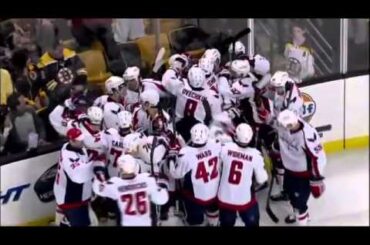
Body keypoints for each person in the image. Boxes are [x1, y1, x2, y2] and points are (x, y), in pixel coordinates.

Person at [275, 109, 326, 225]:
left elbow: (317, 158)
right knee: (289, 195)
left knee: (299, 205)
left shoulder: (307, 135)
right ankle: (300, 213)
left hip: (303, 176)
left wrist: (316, 180)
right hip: (289, 170)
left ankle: (301, 217)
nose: (289, 127)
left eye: (291, 125)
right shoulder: (281, 125)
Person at [92, 154, 169, 226]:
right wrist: (163, 185)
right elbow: (162, 199)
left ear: (119, 169)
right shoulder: (147, 178)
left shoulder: (115, 184)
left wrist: (99, 170)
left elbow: (98, 188)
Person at [169, 123, 221, 226]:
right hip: (215, 192)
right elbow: (198, 154)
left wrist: (172, 156)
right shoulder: (217, 145)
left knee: (195, 220)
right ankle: (213, 222)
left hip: (197, 196)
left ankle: (195, 220)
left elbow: (175, 174)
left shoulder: (186, 154)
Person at [218, 123, 268, 227]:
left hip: (225, 197)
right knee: (252, 222)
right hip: (245, 199)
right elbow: (261, 179)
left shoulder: (225, 148)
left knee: (226, 223)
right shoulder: (255, 155)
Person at [53, 127, 94, 226]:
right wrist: (96, 162)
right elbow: (78, 176)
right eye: (79, 140)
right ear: (71, 140)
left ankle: (65, 220)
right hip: (71, 200)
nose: (82, 142)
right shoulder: (69, 158)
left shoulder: (67, 146)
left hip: (73, 196)